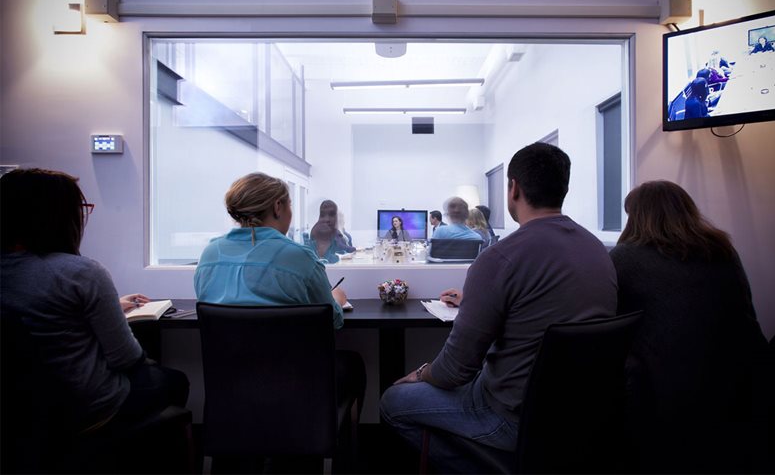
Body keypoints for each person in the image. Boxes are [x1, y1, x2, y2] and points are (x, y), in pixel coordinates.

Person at [380, 143, 617, 473]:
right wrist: (478, 300)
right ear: (563, 188)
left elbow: (453, 372)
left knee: (392, 402)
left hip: (508, 417)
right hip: (581, 416)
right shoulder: (597, 251)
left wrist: (419, 373)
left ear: (513, 188)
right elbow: (541, 304)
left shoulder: (499, 258)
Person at [0, 168, 189, 434]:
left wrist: (111, 307)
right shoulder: (81, 273)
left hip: (19, 409)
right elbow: (125, 358)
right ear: (57, 217)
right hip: (85, 406)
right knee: (173, 379)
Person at [610, 181, 767, 473]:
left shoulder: (625, 258)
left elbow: (612, 325)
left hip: (667, 398)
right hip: (743, 385)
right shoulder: (722, 251)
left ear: (638, 216)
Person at [194, 173, 366, 413]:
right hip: (294, 384)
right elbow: (333, 321)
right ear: (277, 207)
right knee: (352, 364)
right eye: (290, 205)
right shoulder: (299, 257)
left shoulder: (210, 255)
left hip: (231, 385)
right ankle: (328, 434)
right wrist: (336, 298)